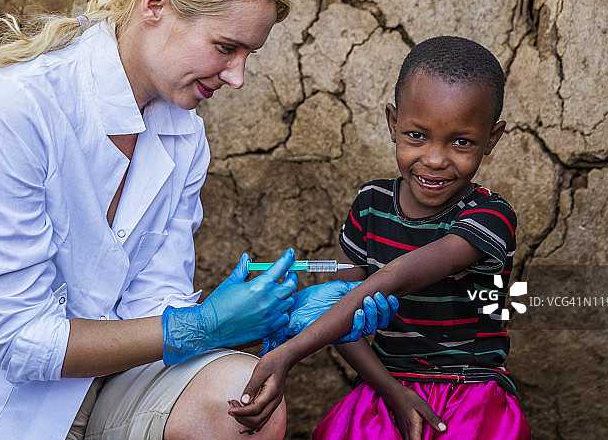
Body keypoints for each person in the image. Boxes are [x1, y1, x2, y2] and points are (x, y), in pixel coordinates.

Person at [0, 0, 398, 438]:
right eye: (226, 47)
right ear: (154, 3)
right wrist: (202, 325)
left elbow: (155, 307)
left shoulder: (183, 134)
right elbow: (23, 342)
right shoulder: (14, 109)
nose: (237, 76)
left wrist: (280, 318)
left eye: (248, 53)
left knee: (244, 404)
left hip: (108, 386)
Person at [228, 36, 532, 439]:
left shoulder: (490, 217)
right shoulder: (371, 205)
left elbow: (391, 278)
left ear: (491, 139)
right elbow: (341, 309)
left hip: (470, 390)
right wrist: (390, 390)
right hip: (386, 384)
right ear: (393, 123)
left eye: (461, 142)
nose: (436, 159)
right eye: (416, 135)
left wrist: (290, 352)